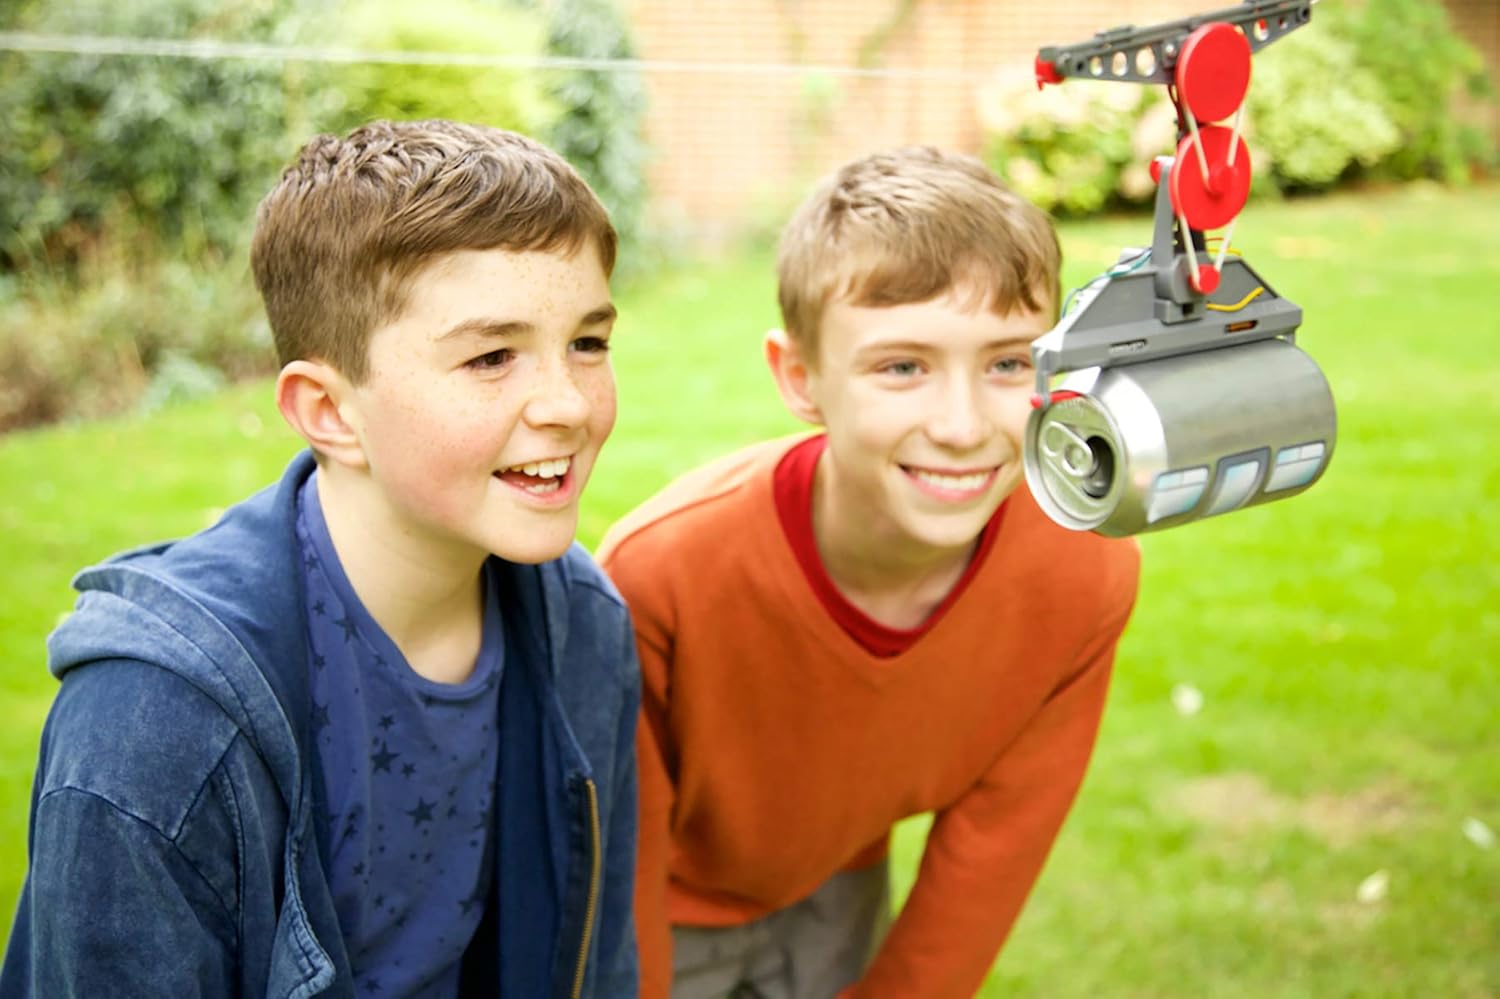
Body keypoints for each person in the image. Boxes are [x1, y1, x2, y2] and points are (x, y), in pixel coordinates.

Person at [1, 120, 639, 997]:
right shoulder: (152, 724)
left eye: (588, 343)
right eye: (492, 356)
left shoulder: (586, 626)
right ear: (329, 411)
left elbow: (592, 966)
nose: (568, 402)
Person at [597, 146, 1141, 999]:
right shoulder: (657, 575)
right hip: (661, 905)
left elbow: (996, 845)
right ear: (801, 378)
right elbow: (617, 857)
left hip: (835, 884)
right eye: (902, 367)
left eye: (1007, 362)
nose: (962, 426)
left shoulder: (1083, 570)